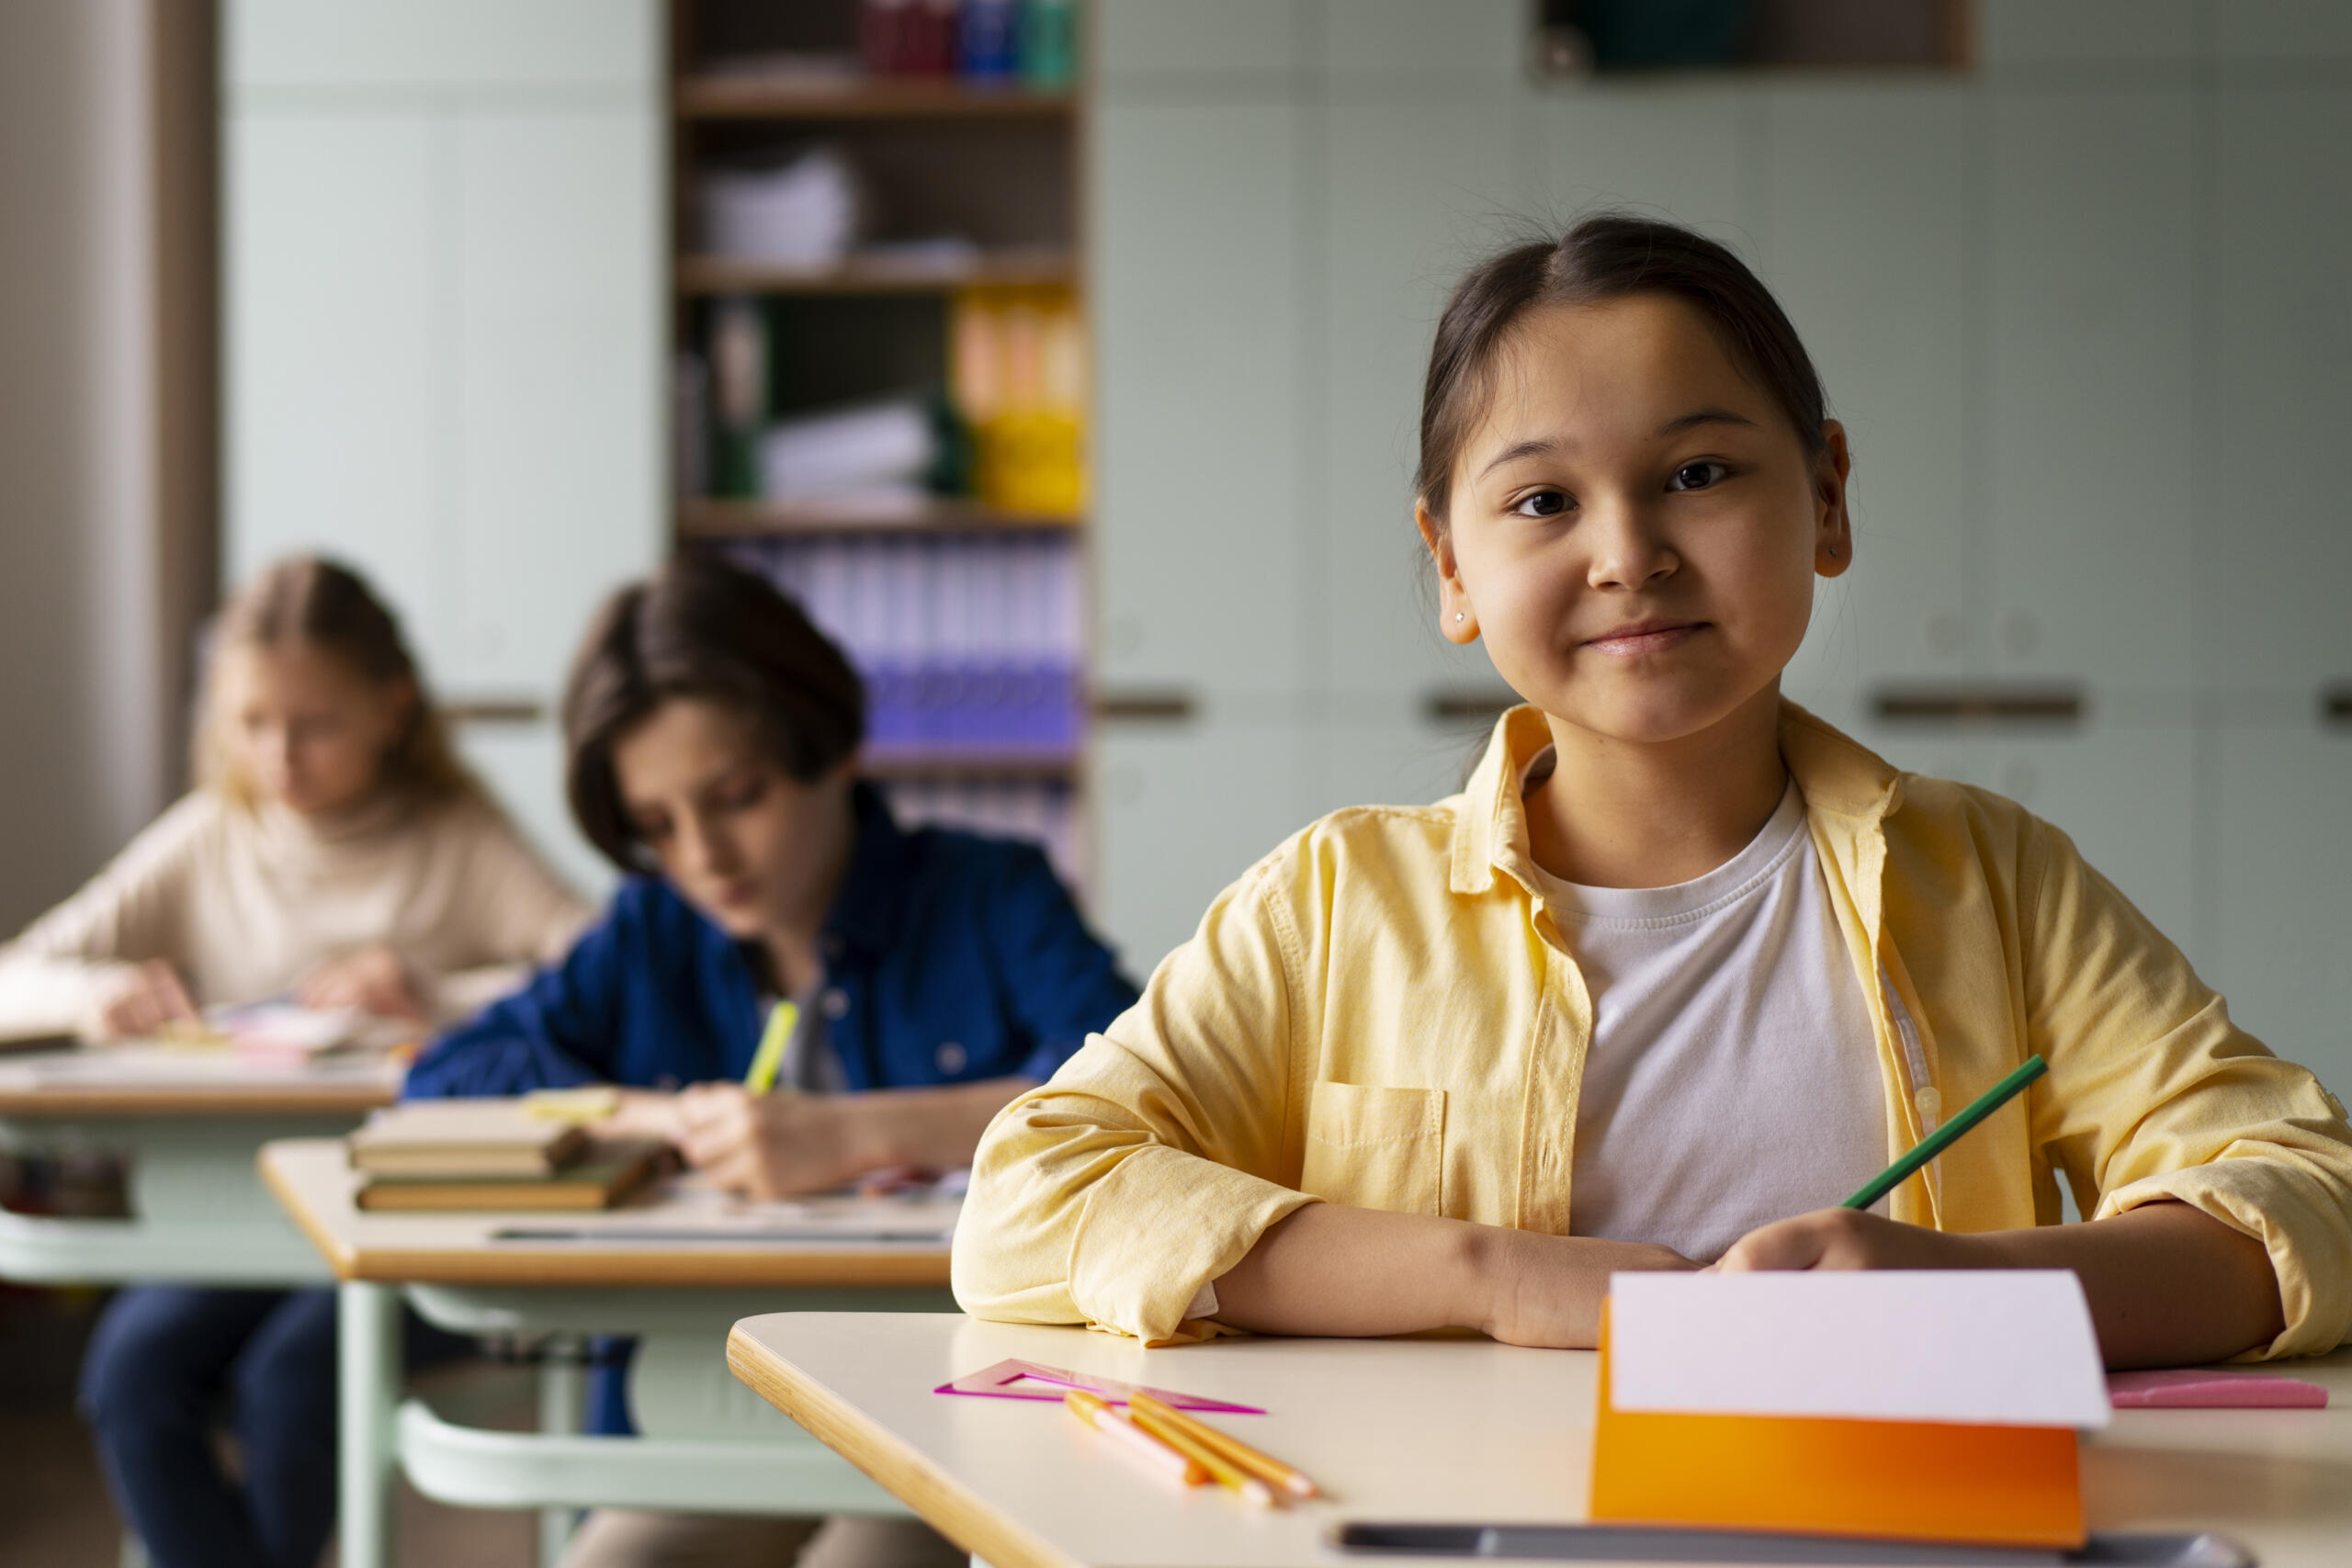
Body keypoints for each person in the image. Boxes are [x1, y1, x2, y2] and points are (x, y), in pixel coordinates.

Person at [952, 213, 2352, 1368]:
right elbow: (1027, 1200)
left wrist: (1970, 1290)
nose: (1628, 552)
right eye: (1544, 501)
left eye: (1697, 473)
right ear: (1451, 565)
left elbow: (2309, 1193)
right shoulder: (1335, 903)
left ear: (1827, 497)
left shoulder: (1991, 877)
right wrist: (1494, 1275)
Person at [405, 551, 1138, 1568]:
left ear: (828, 746)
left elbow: (1137, 1095)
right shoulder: (652, 932)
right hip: (704, 1394)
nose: (703, 856)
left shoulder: (990, 893)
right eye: (658, 827)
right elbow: (449, 1078)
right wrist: (663, 1118)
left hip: (955, 1391)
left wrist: (852, 1134)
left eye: (736, 796)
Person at [0, 557, 590, 1568]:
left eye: (313, 726)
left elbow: (601, 978)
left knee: (294, 1384)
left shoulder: (457, 840)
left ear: (392, 709)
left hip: (404, 1231)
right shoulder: (211, 839)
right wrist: (98, 995)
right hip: (234, 1226)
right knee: (132, 1377)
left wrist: (427, 992)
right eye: (250, 724)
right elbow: (18, 971)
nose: (280, 757)